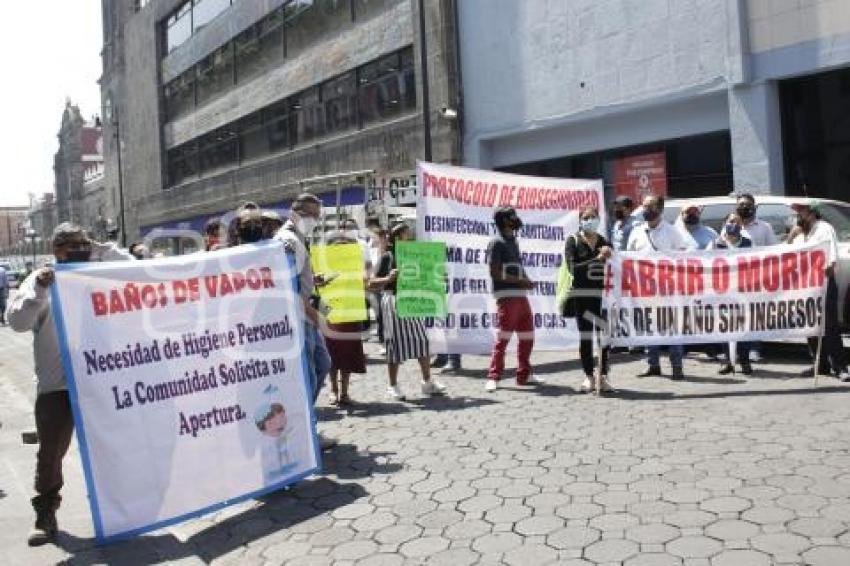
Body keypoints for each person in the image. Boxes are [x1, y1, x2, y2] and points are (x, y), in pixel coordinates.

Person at [6, 223, 134, 546]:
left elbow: (136, 269)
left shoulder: (96, 272)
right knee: (51, 453)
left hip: (98, 379)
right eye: (66, 246)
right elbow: (16, 321)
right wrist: (41, 291)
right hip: (56, 388)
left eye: (79, 244)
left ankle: (123, 511)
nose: (74, 250)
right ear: (55, 250)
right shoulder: (40, 280)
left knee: (114, 447)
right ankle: (45, 514)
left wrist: (99, 248)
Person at [274, 194, 335, 448]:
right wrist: (316, 316)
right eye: (312, 216)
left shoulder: (298, 237)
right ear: (295, 212)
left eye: (317, 217)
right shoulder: (288, 240)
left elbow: (298, 279)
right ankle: (303, 432)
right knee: (308, 376)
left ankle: (304, 425)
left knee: (322, 365)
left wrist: (314, 281)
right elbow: (288, 290)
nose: (315, 221)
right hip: (301, 319)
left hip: (305, 317)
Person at [370, 223, 447, 400]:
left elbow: (426, 275)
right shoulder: (387, 257)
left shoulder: (416, 255)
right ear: (397, 237)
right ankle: (393, 385)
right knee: (395, 344)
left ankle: (427, 382)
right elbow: (371, 283)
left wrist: (437, 276)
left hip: (412, 301)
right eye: (407, 234)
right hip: (394, 301)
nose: (411, 236)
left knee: (422, 340)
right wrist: (388, 278)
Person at [627, 195, 693, 380]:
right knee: (650, 328)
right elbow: (628, 259)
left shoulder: (673, 232)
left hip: (668, 291)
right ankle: (653, 365)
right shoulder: (637, 232)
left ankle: (677, 367)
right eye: (644, 206)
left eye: (650, 206)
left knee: (672, 329)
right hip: (645, 290)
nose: (646, 209)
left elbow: (682, 259)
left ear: (660, 209)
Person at [786, 201, 849, 381]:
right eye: (796, 212)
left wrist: (819, 274)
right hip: (804, 286)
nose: (798, 216)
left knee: (829, 326)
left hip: (823, 284)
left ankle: (840, 366)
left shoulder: (824, 229)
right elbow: (786, 257)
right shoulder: (799, 234)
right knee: (810, 325)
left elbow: (831, 261)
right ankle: (820, 364)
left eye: (801, 212)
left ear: (812, 212)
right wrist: (792, 236)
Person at [485, 207, 544, 391]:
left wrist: (526, 280)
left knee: (527, 336)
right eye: (512, 216)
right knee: (503, 338)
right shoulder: (496, 243)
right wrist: (521, 281)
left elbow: (517, 266)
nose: (516, 219)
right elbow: (494, 273)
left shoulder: (513, 241)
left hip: (520, 296)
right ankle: (493, 377)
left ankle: (524, 374)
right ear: (504, 221)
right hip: (506, 297)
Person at [564, 206, 612, 392]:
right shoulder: (573, 241)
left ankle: (603, 375)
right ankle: (589, 376)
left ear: (599, 219)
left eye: (593, 217)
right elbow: (573, 269)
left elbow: (616, 266)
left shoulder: (603, 241)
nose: (590, 220)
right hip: (581, 296)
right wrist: (598, 259)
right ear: (580, 220)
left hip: (602, 297)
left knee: (604, 337)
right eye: (586, 217)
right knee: (586, 337)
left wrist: (609, 254)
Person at [322, 230, 368, 406]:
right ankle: (333, 390)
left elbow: (365, 282)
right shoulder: (324, 266)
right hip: (331, 314)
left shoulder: (355, 266)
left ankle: (345, 392)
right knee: (333, 353)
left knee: (348, 354)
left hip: (350, 313)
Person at [707, 213, 753, 375]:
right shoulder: (715, 244)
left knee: (743, 327)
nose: (734, 224)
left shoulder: (747, 243)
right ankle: (728, 361)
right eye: (730, 221)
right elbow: (705, 265)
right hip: (722, 293)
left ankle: (744, 360)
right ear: (725, 223)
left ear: (742, 226)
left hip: (742, 292)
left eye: (737, 222)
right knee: (725, 327)